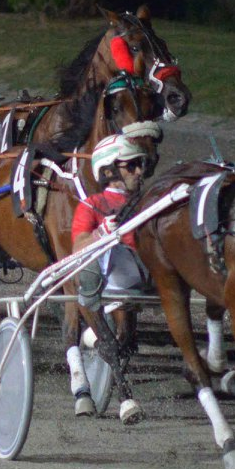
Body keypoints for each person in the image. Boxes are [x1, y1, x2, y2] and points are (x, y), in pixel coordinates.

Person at [68, 130, 154, 418]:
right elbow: (79, 246)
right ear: (108, 171)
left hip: (140, 272)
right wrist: (101, 233)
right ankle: (124, 396)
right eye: (131, 165)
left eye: (141, 164)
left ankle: (94, 338)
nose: (140, 171)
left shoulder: (148, 203)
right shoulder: (92, 204)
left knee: (126, 339)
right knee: (99, 253)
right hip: (106, 272)